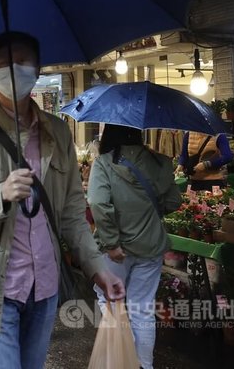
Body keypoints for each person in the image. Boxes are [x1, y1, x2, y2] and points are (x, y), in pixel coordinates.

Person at [0, 31, 125, 369]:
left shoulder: (58, 132)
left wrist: (98, 268)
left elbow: (70, 214)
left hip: (45, 286)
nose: (14, 69)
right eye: (4, 64)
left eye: (23, 62)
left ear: (37, 70)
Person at [88, 124, 182, 369]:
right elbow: (173, 201)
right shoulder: (161, 162)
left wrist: (110, 243)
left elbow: (97, 203)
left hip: (115, 251)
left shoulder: (104, 163)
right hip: (151, 246)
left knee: (109, 300)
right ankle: (144, 365)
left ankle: (119, 360)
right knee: (142, 308)